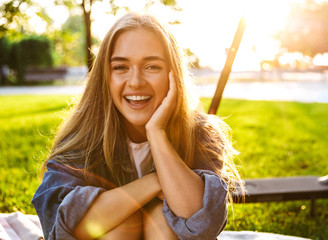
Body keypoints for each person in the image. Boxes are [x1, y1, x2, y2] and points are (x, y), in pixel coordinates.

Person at [32, 12, 243, 240]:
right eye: (121, 67)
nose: (135, 82)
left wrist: (157, 133)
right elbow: (64, 225)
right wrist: (153, 182)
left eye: (151, 67)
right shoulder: (83, 136)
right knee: (121, 225)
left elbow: (202, 223)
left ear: (173, 75)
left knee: (163, 222)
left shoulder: (200, 133)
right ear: (105, 76)